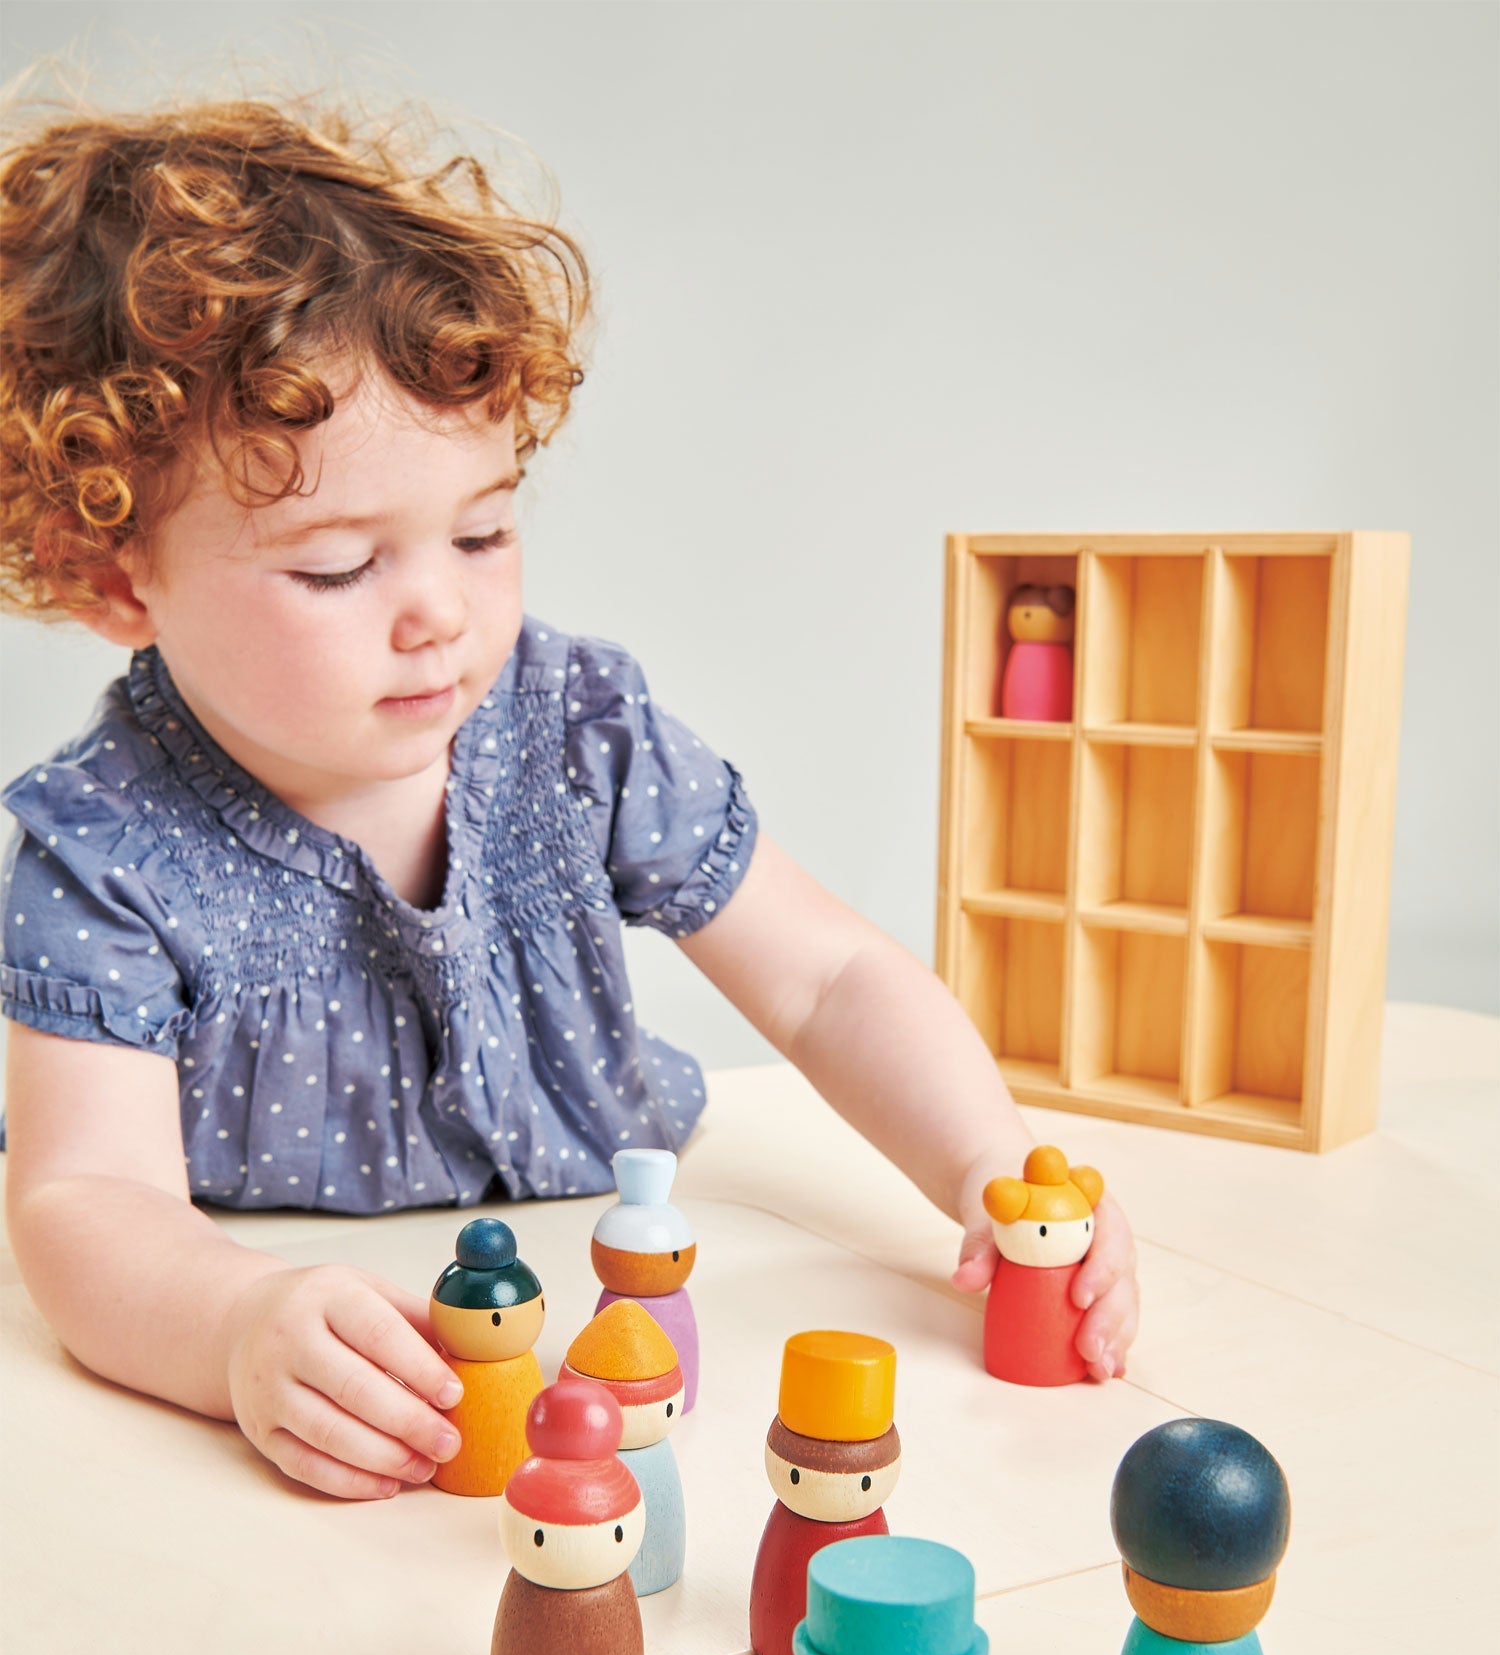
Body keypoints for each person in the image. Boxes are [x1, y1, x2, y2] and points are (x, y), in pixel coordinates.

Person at [0, 94, 1139, 1500]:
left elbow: (828, 981)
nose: (440, 613)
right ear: (116, 578)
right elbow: (84, 1199)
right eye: (338, 566)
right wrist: (232, 1323)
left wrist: (993, 1163)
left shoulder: (576, 733)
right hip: (300, 1292)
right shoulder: (103, 847)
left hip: (607, 1264)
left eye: (482, 531)